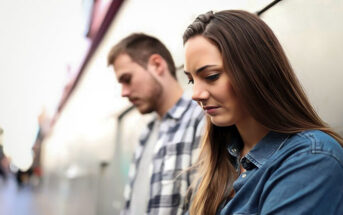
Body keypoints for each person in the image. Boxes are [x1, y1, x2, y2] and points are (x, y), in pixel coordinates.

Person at [182, 10, 343, 215]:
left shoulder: (311, 158)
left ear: (254, 70)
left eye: (211, 76)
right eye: (191, 80)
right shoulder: (219, 163)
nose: (196, 94)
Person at [107, 33, 205, 215]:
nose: (124, 93)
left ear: (157, 65)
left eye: (127, 79)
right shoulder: (146, 133)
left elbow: (203, 207)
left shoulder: (199, 119)